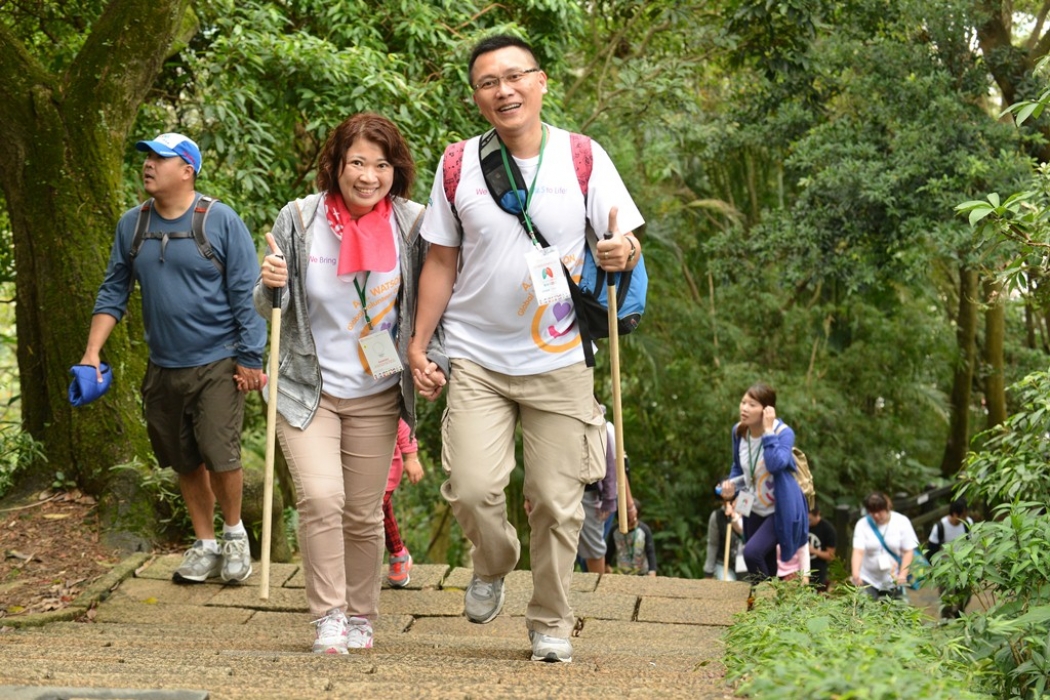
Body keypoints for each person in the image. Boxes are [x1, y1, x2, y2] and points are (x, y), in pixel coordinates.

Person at [407, 34, 644, 664]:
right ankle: (494, 560)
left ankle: (550, 621)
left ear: (540, 82)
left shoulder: (585, 157)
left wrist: (624, 252)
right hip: (478, 356)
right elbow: (441, 257)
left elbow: (624, 239)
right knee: (473, 487)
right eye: (489, 82)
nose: (504, 90)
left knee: (559, 501)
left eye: (515, 77)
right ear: (477, 96)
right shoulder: (457, 164)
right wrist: (419, 343)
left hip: (561, 359)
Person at [255, 113, 435, 654]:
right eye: (357, 162)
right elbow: (269, 308)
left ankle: (362, 615)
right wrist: (271, 285)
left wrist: (431, 359)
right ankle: (328, 615)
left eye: (381, 164)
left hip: (377, 393)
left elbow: (433, 305)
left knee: (361, 511)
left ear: (395, 171)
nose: (368, 175)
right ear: (335, 165)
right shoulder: (300, 218)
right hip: (306, 389)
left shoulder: (412, 224)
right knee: (320, 497)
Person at [80, 132, 266, 586]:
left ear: (187, 170)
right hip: (163, 364)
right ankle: (204, 544)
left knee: (220, 453)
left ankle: (234, 534)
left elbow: (247, 293)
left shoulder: (219, 220)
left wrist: (251, 357)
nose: (148, 165)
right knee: (183, 459)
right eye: (146, 157)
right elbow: (113, 291)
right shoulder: (133, 224)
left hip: (219, 360)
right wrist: (90, 355)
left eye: (159, 158)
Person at [718, 383, 809, 582]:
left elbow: (776, 464)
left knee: (751, 553)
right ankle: (768, 605)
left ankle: (765, 597)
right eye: (743, 402)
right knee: (765, 561)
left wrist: (768, 432)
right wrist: (730, 487)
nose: (744, 408)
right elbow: (738, 466)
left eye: (752, 404)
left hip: (779, 508)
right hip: (751, 503)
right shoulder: (739, 432)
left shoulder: (783, 433)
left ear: (767, 410)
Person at [850, 492, 919, 601]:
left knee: (895, 612)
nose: (876, 515)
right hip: (868, 577)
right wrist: (855, 574)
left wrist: (902, 575)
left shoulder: (901, 522)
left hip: (893, 578)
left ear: (887, 508)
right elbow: (858, 551)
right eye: (872, 512)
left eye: (879, 511)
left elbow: (908, 551)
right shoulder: (862, 524)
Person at [384, 418, 424, 588]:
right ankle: (398, 552)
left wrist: (411, 457)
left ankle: (398, 554)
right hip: (348, 465)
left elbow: (400, 421)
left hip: (386, 468)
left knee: (376, 510)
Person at [577, 416, 617, 574]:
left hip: (590, 490)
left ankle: (599, 591)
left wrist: (609, 498)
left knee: (594, 548)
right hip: (561, 487)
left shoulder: (597, 418)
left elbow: (610, 462)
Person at [925, 497, 973, 618]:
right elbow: (931, 550)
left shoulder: (968, 524)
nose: (965, 517)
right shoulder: (940, 527)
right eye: (963, 514)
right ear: (955, 513)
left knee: (966, 594)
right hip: (946, 567)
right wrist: (934, 569)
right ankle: (946, 619)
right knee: (946, 595)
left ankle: (959, 613)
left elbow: (972, 545)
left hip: (963, 566)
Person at [605, 497, 657, 576]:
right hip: (622, 572)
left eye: (631, 522)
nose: (628, 525)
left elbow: (650, 551)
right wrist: (606, 564)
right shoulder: (614, 531)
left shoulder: (644, 530)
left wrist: (652, 570)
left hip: (642, 572)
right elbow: (610, 549)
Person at [705, 498, 743, 581]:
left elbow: (745, 535)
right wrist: (708, 572)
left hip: (746, 565)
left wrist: (735, 518)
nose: (731, 504)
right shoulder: (717, 516)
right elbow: (713, 544)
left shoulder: (752, 513)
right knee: (729, 589)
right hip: (724, 564)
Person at [808, 505, 837, 592]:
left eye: (810, 520)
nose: (807, 523)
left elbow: (831, 556)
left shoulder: (828, 530)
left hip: (818, 572)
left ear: (817, 514)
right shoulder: (802, 525)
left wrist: (814, 551)